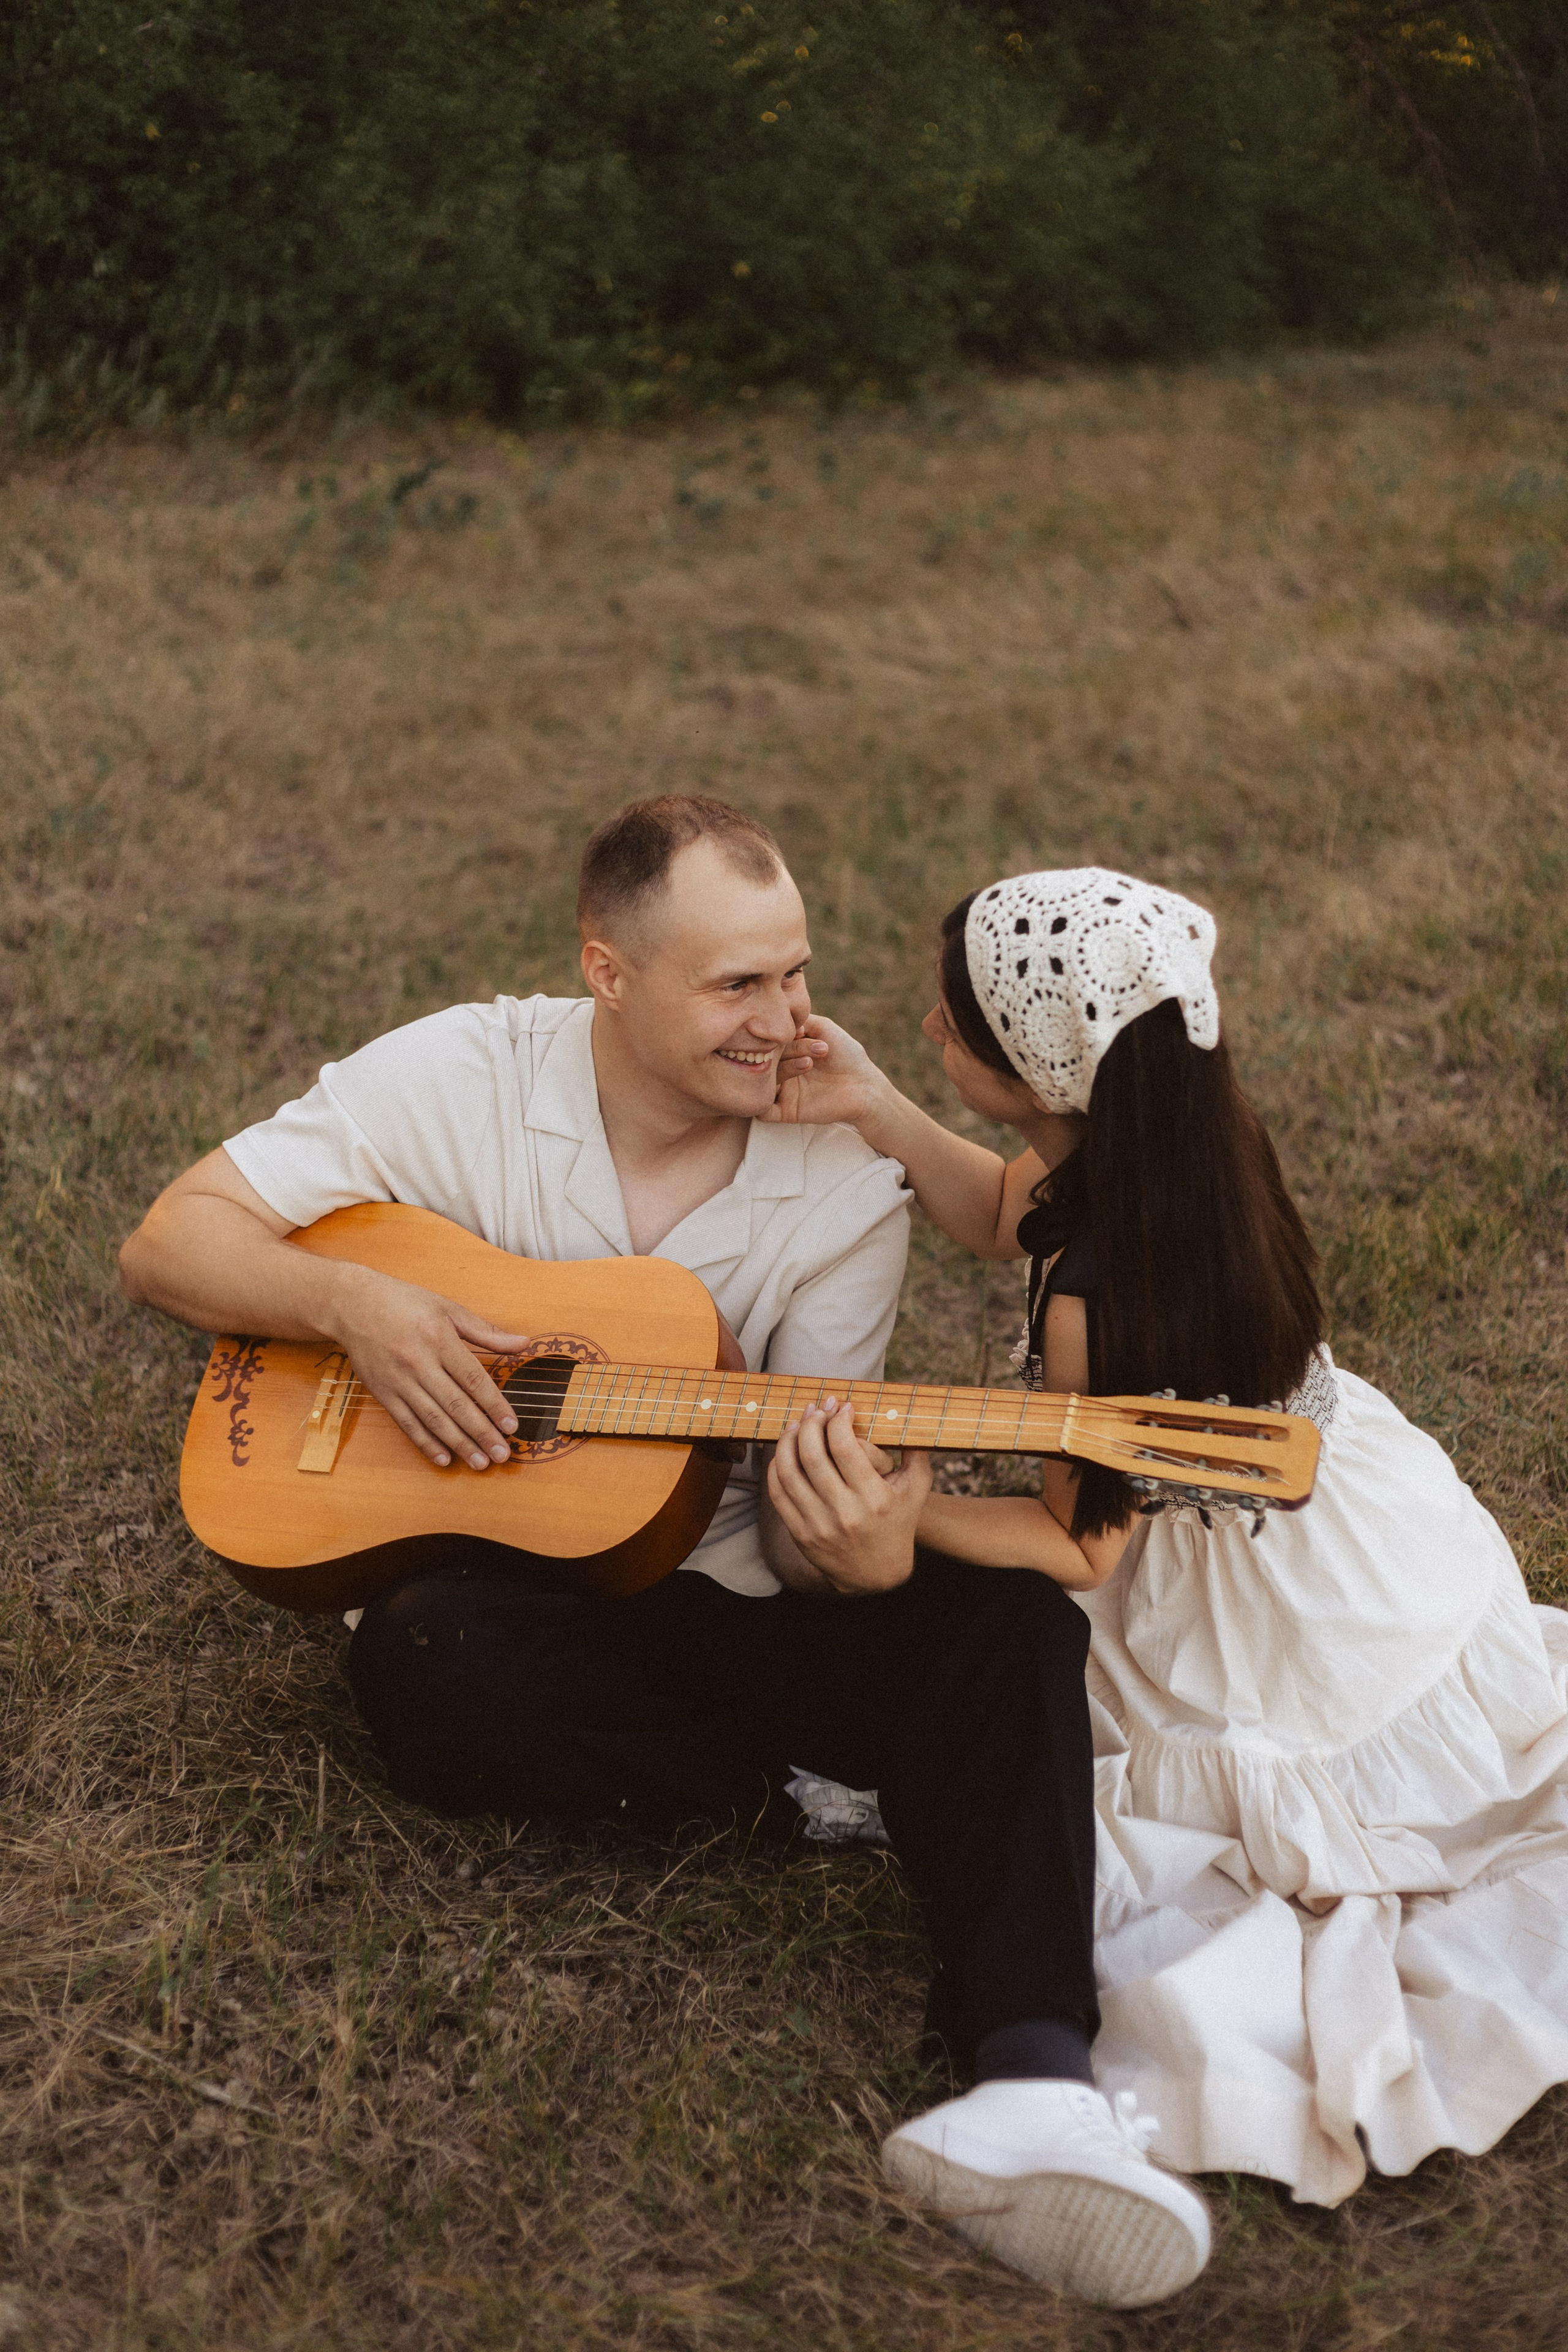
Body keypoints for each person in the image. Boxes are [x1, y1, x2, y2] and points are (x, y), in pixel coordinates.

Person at [119, 800, 1214, 2311]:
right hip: (506, 1587)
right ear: (608, 974)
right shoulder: (458, 1071)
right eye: (735, 987)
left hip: (729, 1587)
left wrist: (862, 1551)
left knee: (1014, 1621)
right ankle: (813, 1797)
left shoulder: (839, 1187)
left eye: (796, 972)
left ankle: (1035, 2080)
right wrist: (356, 1311)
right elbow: (172, 1239)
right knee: (425, 1658)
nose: (787, 1023)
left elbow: (796, 1527)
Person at [768, 864, 1568, 2208]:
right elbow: (993, 1210)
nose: (927, 1035)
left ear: (1035, 1077)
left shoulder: (1101, 1302)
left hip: (1245, 1583)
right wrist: (875, 1108)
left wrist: (912, 1521)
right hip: (1331, 1498)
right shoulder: (1149, 1144)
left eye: (949, 1031)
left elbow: (1081, 1551)